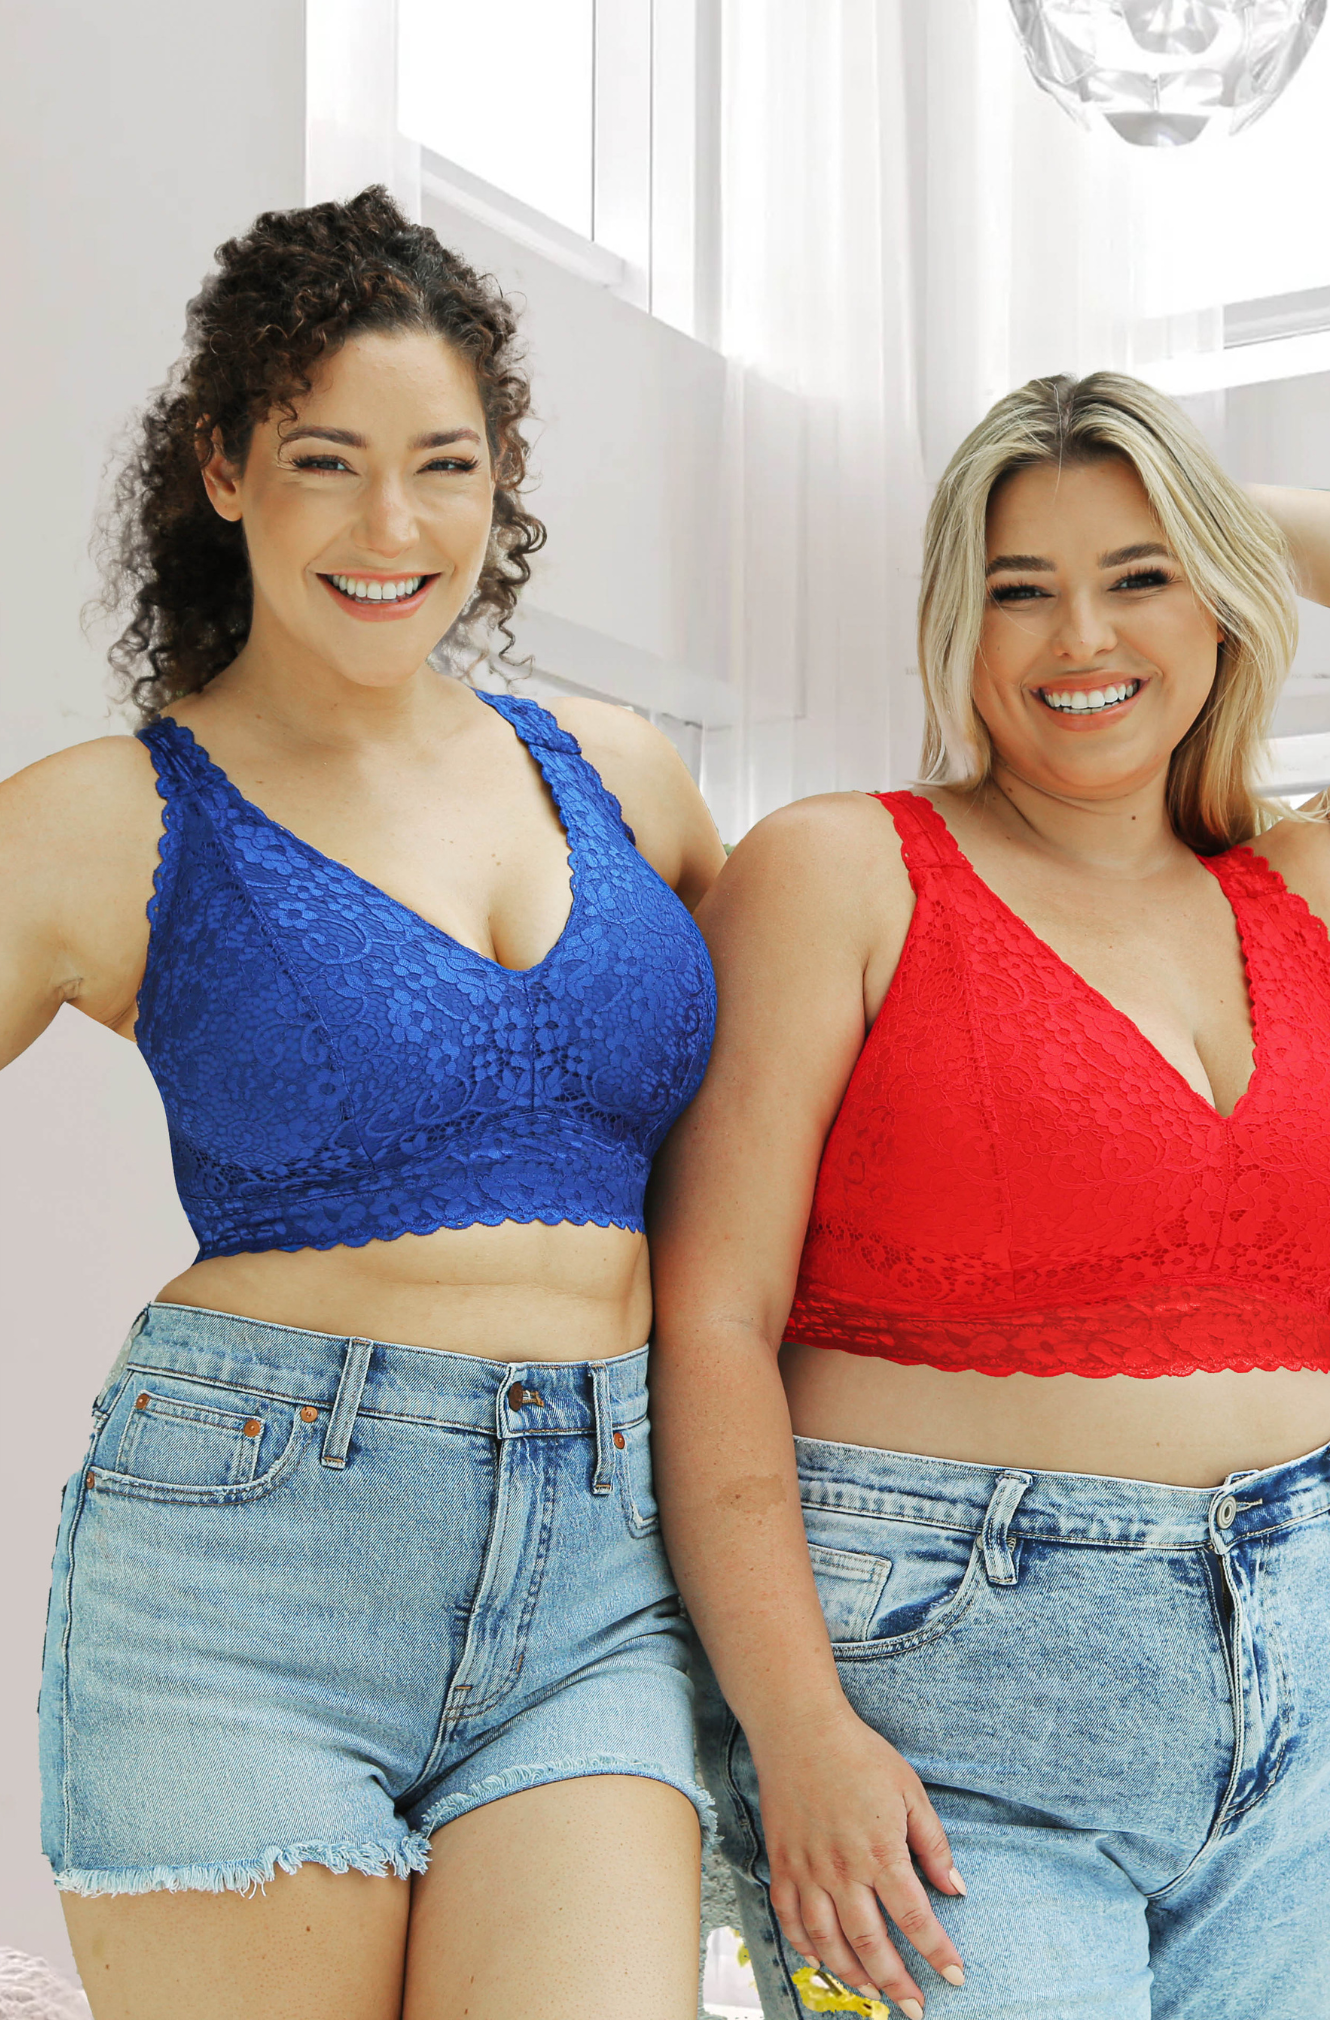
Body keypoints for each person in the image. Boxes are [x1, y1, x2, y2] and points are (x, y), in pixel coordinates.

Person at [648, 371, 1330, 2020]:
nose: (1082, 637)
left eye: (1141, 577)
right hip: (936, 1691)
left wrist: (1229, 518)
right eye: (1023, 589)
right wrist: (796, 1727)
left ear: (1216, 600)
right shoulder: (842, 870)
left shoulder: (1327, 892)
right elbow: (710, 1315)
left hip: (1308, 1656)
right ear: (960, 626)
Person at [4, 187, 726, 2020]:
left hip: (607, 1571)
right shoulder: (108, 818)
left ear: (500, 483)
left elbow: (796, 1129)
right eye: (326, 462)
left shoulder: (624, 774)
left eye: (444, 467)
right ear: (224, 468)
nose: (392, 529)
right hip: (245, 1579)